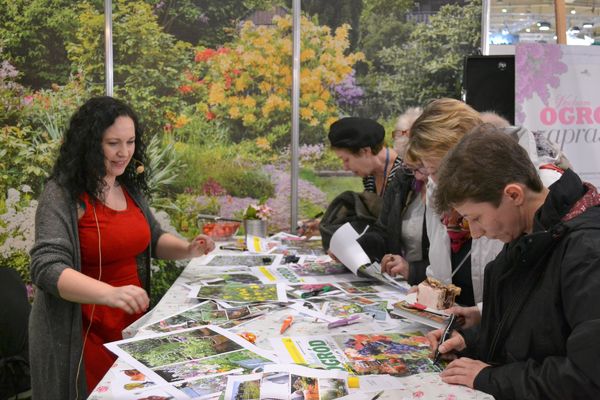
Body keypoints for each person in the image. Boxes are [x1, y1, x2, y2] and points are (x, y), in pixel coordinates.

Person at [29, 96, 216, 399]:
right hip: (82, 331)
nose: (124, 153)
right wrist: (110, 294)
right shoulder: (61, 193)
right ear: (89, 144)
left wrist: (187, 249)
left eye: (130, 142)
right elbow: (47, 268)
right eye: (113, 143)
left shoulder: (126, 186)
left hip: (129, 323)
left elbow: (152, 238)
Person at [428, 125, 600, 399]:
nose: (476, 232)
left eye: (476, 218)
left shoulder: (587, 250)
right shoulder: (531, 234)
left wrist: (491, 379)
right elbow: (534, 331)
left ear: (513, 195)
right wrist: (470, 341)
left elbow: (587, 377)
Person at [404, 98, 562, 306]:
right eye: (429, 170)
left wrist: (481, 314)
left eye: (436, 170)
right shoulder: (438, 187)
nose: (435, 180)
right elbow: (441, 261)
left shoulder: (544, 189)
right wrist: (433, 293)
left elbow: (541, 289)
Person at [299, 117, 402, 239]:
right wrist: (326, 226)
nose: (345, 167)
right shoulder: (370, 176)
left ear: (365, 151)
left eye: (346, 159)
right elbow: (372, 221)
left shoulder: (405, 173)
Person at [357, 109, 429, 285]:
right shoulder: (403, 177)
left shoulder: (447, 190)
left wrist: (413, 270)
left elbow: (455, 264)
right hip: (404, 285)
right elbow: (383, 229)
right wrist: (355, 247)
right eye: (408, 165)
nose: (416, 174)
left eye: (420, 165)